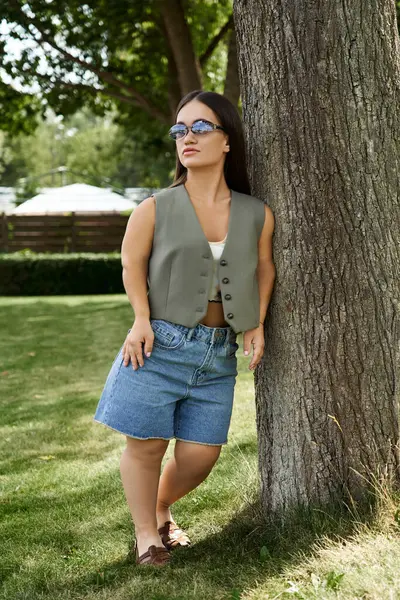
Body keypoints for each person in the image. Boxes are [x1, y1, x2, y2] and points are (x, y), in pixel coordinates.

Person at [94, 90, 275, 567]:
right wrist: (138, 318)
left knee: (201, 456)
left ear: (227, 140)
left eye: (199, 128)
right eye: (179, 130)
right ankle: (147, 538)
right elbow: (131, 266)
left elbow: (263, 269)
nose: (186, 138)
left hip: (217, 353)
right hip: (158, 343)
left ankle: (159, 505)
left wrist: (255, 323)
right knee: (147, 445)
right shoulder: (154, 208)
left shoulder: (256, 213)